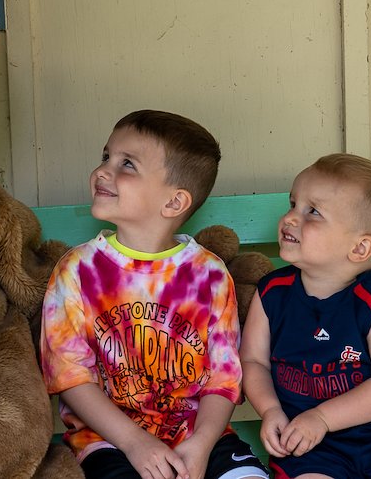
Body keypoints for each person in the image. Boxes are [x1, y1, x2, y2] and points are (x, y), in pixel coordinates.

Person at [40, 110, 270, 479]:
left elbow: (223, 379)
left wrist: (202, 444)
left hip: (198, 436)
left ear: (174, 203)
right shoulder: (78, 270)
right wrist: (135, 443)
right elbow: (70, 378)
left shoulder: (209, 275)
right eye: (106, 157)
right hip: (108, 440)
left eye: (127, 164)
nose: (102, 171)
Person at [241, 154, 371, 478]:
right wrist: (270, 409)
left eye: (313, 212)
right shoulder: (272, 293)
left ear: (360, 248)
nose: (290, 218)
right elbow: (253, 361)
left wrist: (323, 418)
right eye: (293, 204)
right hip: (310, 444)